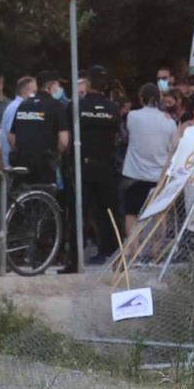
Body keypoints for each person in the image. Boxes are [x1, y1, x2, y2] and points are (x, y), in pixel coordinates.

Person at [76, 68, 123, 264]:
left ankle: (76, 253)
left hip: (84, 166)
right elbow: (118, 136)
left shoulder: (78, 106)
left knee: (81, 210)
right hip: (106, 166)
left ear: (88, 83)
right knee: (108, 212)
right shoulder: (113, 108)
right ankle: (110, 251)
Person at [120, 82, 176, 240]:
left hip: (134, 173)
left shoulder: (132, 116)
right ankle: (156, 251)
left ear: (141, 98)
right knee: (159, 214)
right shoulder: (169, 122)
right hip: (159, 174)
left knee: (131, 213)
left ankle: (132, 248)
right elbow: (171, 147)